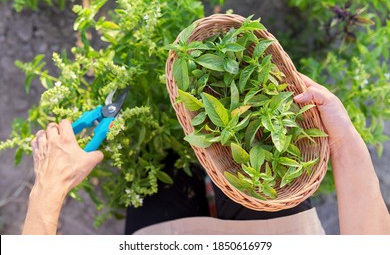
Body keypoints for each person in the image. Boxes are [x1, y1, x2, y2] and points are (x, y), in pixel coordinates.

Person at [22, 74, 390, 235]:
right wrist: (340, 138)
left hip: (164, 240)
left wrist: (48, 189)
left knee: (163, 161)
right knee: (228, 154)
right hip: (283, 234)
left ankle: (170, 136)